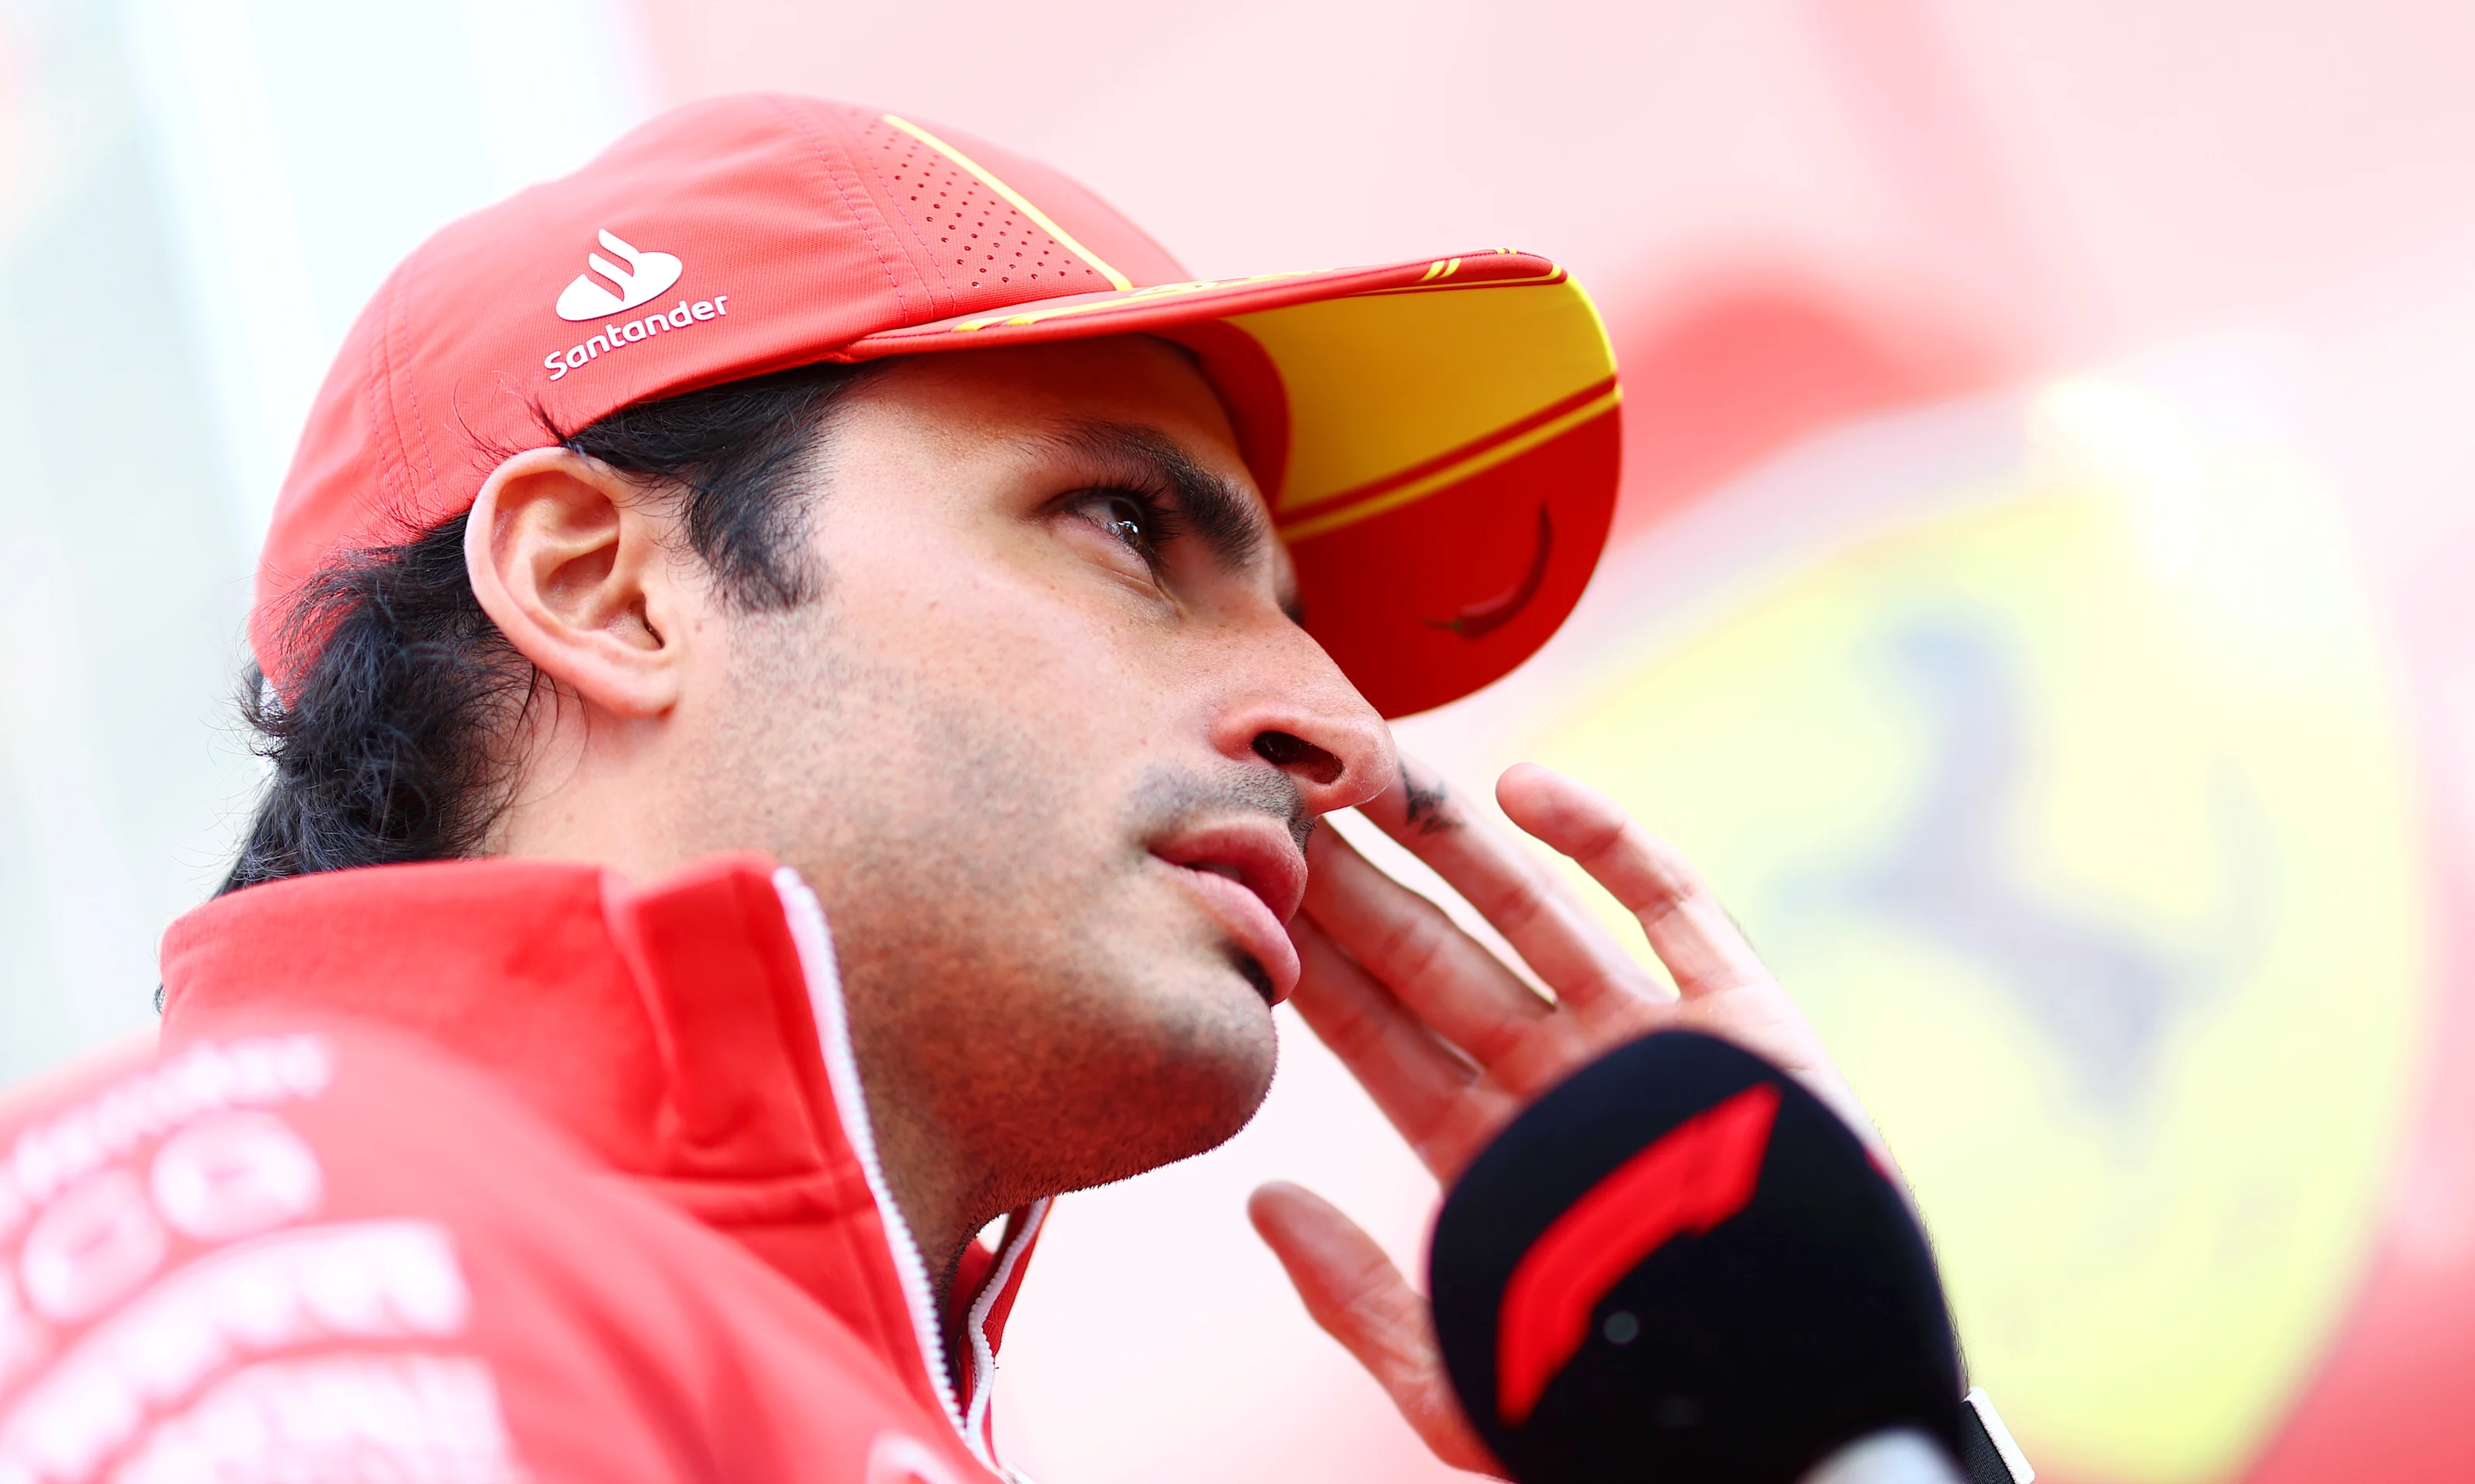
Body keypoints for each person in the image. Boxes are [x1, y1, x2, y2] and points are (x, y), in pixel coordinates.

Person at [0, 95, 1872, 1482]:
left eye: (1305, 619)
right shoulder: (283, 1247)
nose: (1346, 737)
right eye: (1129, 526)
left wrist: (1822, 1443)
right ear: (601, 585)